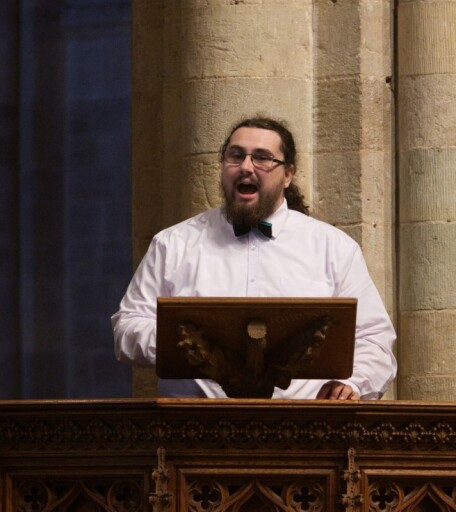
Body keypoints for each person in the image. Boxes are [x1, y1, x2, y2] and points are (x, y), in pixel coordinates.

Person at [112, 116, 397, 400]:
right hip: (193, 429)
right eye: (236, 156)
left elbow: (374, 339)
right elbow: (127, 327)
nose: (246, 167)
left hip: (305, 429)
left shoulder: (333, 248)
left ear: (288, 175)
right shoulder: (173, 244)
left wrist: (354, 383)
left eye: (262, 158)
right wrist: (183, 343)